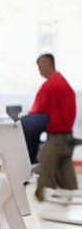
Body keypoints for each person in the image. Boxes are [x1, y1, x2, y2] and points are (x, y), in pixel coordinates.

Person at [27, 53, 79, 200]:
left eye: (39, 66)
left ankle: (43, 200)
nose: (39, 70)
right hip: (67, 136)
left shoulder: (50, 85)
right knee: (65, 167)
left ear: (47, 64)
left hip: (56, 137)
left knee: (45, 163)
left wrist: (25, 118)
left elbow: (38, 111)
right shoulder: (63, 82)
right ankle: (73, 197)